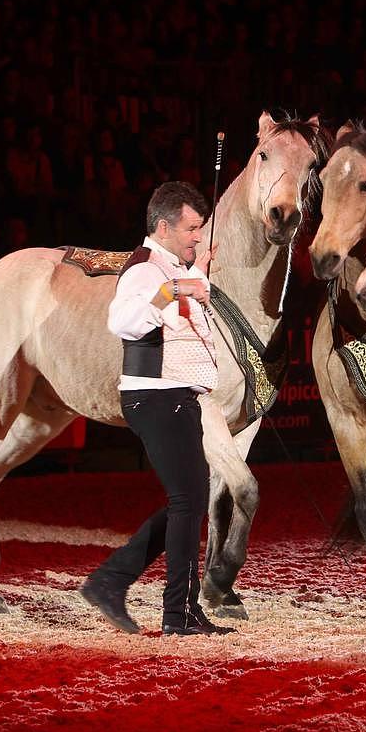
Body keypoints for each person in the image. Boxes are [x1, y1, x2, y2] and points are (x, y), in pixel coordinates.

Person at [79, 181, 233, 637]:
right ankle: (174, 612)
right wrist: (174, 289)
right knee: (189, 500)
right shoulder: (146, 270)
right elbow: (122, 322)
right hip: (157, 396)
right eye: (190, 229)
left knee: (191, 499)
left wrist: (193, 278)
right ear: (163, 226)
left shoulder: (168, 267)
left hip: (171, 396)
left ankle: (116, 581)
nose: (196, 237)